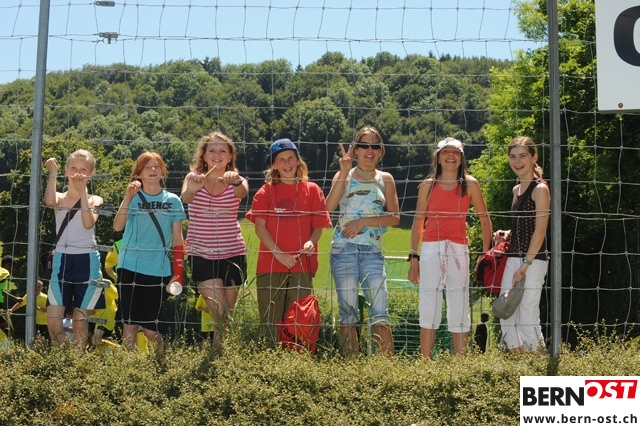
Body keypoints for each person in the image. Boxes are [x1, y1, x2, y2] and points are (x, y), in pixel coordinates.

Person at [408, 137, 492, 358]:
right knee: (429, 305)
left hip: (458, 249)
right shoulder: (427, 186)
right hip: (430, 249)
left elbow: (484, 218)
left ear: (462, 158)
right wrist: (414, 257)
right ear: (437, 158)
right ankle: (425, 363)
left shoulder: (470, 184)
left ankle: (461, 364)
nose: (450, 156)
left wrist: (485, 254)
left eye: (455, 152)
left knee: (459, 304)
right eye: (445, 152)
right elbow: (418, 221)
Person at [246, 138, 331, 347]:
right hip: (271, 265)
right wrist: (279, 254)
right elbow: (259, 227)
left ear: (298, 161)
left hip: (302, 265)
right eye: (281, 160)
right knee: (270, 319)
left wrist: (311, 242)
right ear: (274, 165)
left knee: (300, 318)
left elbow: (318, 227)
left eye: (290, 158)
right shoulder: (265, 192)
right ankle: (270, 357)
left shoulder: (312, 190)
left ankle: (298, 358)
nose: (287, 164)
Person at [325, 126, 400, 357]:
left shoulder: (386, 179)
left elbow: (395, 217)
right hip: (343, 251)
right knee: (348, 314)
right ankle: (352, 367)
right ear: (356, 150)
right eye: (364, 145)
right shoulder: (344, 175)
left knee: (380, 312)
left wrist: (363, 222)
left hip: (372, 253)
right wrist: (343, 172)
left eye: (375, 146)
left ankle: (386, 368)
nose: (370, 150)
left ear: (381, 151)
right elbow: (327, 208)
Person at [113, 151, 186, 363]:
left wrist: (178, 272)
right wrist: (128, 196)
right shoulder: (133, 198)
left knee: (150, 330)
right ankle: (129, 369)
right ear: (139, 173)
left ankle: (161, 360)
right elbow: (117, 226)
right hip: (129, 267)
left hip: (157, 270)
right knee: (129, 325)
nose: (153, 170)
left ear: (163, 172)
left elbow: (178, 239)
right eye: (147, 167)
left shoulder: (173, 201)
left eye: (157, 166)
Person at [181, 132, 248, 346]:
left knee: (228, 313)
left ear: (230, 157)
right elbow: (186, 197)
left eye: (222, 151)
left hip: (233, 252)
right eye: (212, 150)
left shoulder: (236, 179)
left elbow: (242, 193)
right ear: (204, 155)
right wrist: (193, 189)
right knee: (219, 311)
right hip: (201, 253)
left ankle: (220, 353)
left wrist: (235, 181)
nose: (217, 155)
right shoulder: (193, 177)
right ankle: (224, 352)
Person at [44, 150, 106, 347]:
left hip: (87, 261)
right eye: (73, 168)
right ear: (66, 170)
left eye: (83, 170)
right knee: (53, 322)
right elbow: (49, 201)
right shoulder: (60, 198)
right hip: (62, 260)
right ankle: (66, 358)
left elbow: (88, 223)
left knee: (80, 324)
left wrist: (81, 193)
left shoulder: (95, 200)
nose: (78, 173)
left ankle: (78, 361)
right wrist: (53, 172)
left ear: (91, 173)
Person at [499, 136, 550, 353]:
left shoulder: (540, 189)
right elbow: (523, 224)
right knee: (505, 312)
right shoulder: (516, 190)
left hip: (534, 260)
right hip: (513, 257)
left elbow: (540, 230)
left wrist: (526, 264)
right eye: (513, 156)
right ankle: (520, 363)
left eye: (522, 156)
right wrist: (506, 235)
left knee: (528, 315)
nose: (517, 161)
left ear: (534, 157)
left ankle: (537, 364)